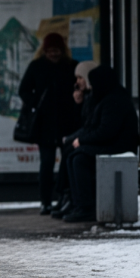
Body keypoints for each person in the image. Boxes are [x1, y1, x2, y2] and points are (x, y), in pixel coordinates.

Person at [63, 65, 139, 222]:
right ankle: (79, 204)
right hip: (113, 143)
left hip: (119, 147)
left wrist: (82, 140)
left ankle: (85, 207)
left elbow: (106, 131)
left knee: (79, 159)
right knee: (73, 155)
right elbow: (92, 125)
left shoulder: (114, 100)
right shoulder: (106, 97)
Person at [18, 32, 79, 215]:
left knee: (66, 161)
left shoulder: (71, 66)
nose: (54, 54)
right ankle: (45, 201)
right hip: (44, 124)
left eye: (57, 50)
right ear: (44, 51)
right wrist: (37, 103)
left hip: (67, 123)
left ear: (63, 50)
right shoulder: (36, 67)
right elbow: (24, 90)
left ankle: (63, 198)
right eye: (50, 51)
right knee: (46, 163)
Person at [52, 60, 98, 219]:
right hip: (92, 138)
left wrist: (76, 139)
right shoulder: (88, 96)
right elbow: (83, 122)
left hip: (100, 143)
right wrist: (78, 103)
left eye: (80, 77)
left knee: (74, 155)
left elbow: (88, 125)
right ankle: (67, 196)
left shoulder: (95, 97)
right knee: (69, 151)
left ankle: (73, 199)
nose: (77, 82)